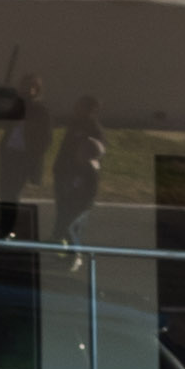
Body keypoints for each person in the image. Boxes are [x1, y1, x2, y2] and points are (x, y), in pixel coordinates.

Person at [0, 68, 48, 238]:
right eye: (24, 86)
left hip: (23, 158)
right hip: (9, 155)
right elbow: (1, 118)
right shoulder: (17, 104)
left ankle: (9, 228)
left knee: (12, 193)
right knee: (4, 192)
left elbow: (45, 138)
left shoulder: (40, 111)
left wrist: (33, 156)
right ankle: (4, 224)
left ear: (36, 90)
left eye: (31, 87)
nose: (27, 90)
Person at [50, 93, 107, 256]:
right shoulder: (74, 125)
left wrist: (82, 173)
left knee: (73, 215)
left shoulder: (95, 131)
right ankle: (58, 240)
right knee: (62, 209)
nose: (75, 108)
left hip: (78, 178)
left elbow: (96, 154)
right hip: (64, 173)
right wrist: (59, 167)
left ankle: (73, 251)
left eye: (80, 106)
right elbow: (65, 149)